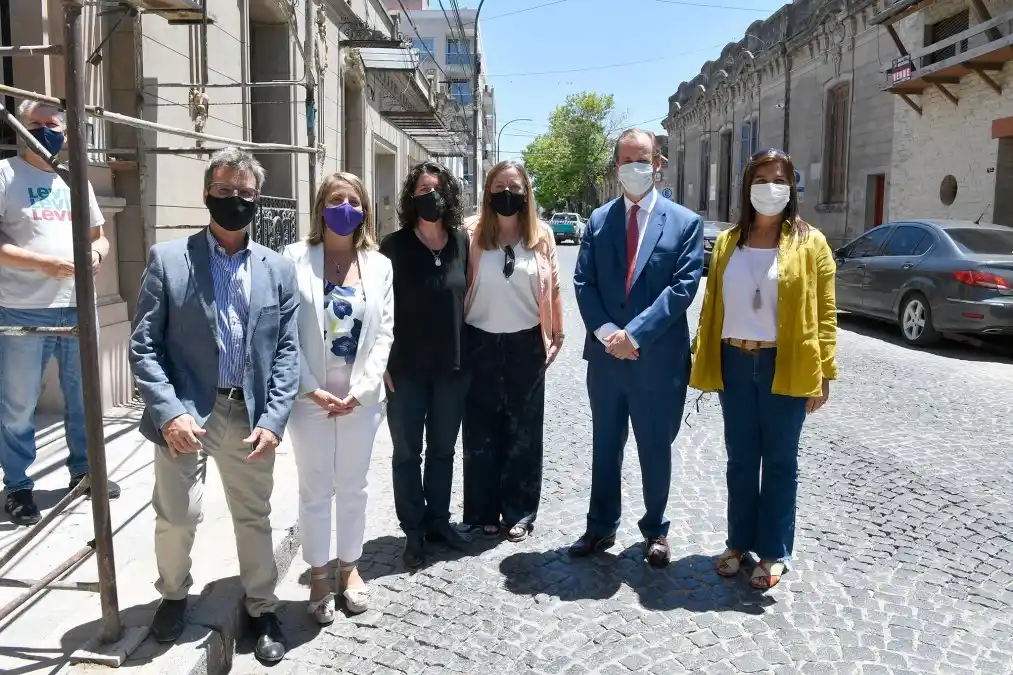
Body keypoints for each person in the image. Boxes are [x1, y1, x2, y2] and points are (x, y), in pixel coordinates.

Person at [129, 148, 299, 663]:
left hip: (249, 417)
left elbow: (288, 350)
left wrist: (274, 419)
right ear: (207, 195)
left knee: (255, 516)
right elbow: (143, 346)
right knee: (177, 515)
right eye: (225, 191)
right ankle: (174, 595)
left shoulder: (277, 269)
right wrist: (168, 411)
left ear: (258, 200)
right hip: (186, 415)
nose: (235, 201)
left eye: (246, 194)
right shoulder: (169, 259)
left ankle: (262, 608)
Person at [689, 148, 837, 590]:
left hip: (784, 362)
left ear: (791, 187)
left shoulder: (811, 243)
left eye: (778, 179)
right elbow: (711, 304)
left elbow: (826, 313)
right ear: (747, 187)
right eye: (761, 179)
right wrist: (703, 354)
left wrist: (824, 373)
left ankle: (773, 552)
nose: (770, 188)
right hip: (735, 361)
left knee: (779, 463)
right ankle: (737, 543)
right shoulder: (729, 242)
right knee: (739, 460)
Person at [571, 128, 704, 568]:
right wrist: (611, 334)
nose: (635, 168)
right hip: (608, 360)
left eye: (642, 159)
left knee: (655, 447)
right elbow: (584, 283)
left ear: (658, 163)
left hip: (657, 361)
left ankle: (656, 530)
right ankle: (600, 525)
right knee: (605, 444)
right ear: (616, 167)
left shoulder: (685, 223)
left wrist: (636, 335)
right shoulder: (597, 220)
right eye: (627, 160)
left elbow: (682, 288)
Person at [0, 101, 117, 526]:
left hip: (77, 308)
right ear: (20, 129)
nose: (45, 131)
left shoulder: (75, 181)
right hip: (22, 310)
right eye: (36, 124)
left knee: (85, 397)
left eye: (53, 125)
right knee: (17, 406)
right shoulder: (6, 175)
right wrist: (41, 265)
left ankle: (84, 472)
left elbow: (99, 237)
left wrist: (95, 255)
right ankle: (17, 486)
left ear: (66, 135)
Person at [282, 172, 393, 622]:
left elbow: (385, 332)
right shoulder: (294, 259)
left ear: (363, 209)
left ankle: (350, 568)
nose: (344, 207)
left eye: (352, 199)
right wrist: (311, 387)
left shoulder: (379, 264)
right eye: (335, 199)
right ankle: (319, 573)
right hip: (309, 398)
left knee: (353, 486)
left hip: (360, 400)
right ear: (320, 206)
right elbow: (285, 331)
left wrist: (363, 390)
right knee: (314, 489)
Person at [460, 160, 563, 542]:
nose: (507, 193)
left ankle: (520, 511)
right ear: (487, 192)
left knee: (524, 431)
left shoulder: (542, 236)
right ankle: (483, 509)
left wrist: (557, 335)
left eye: (515, 186)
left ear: (526, 194)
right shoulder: (469, 234)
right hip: (479, 341)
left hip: (526, 342)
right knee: (481, 428)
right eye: (500, 185)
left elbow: (552, 290)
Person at [379, 161, 471, 569]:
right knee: (406, 453)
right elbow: (379, 309)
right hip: (405, 369)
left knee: (442, 451)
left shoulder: (461, 243)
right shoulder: (393, 246)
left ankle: (439, 522)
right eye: (421, 189)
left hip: (452, 367)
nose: (430, 196)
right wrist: (379, 361)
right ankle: (413, 531)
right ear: (410, 198)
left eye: (436, 189)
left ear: (448, 195)